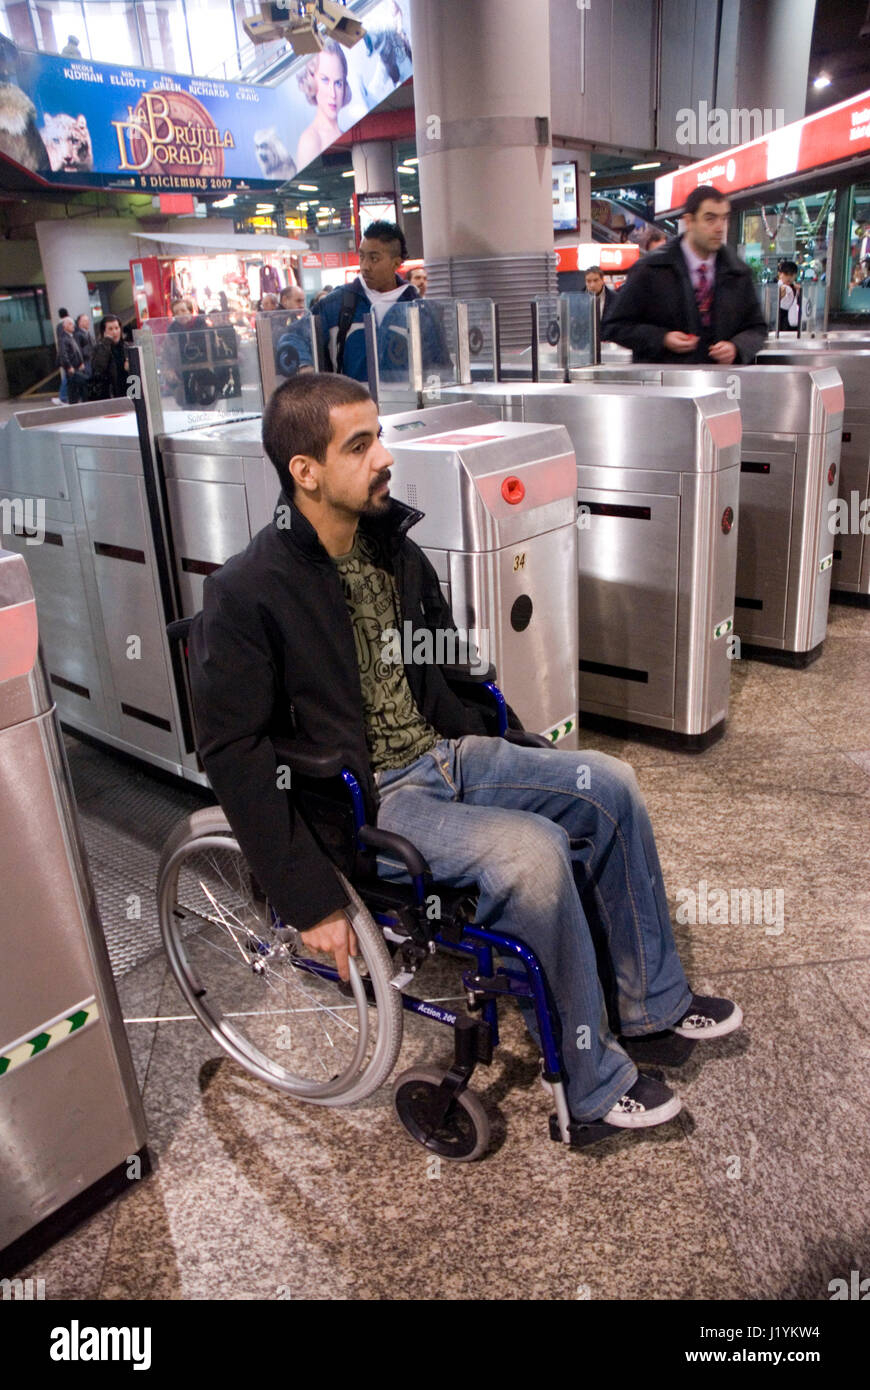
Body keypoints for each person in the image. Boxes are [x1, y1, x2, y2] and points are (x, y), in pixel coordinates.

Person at [188, 373, 743, 1134]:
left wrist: (502, 736)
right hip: (371, 800)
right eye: (361, 444)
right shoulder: (248, 592)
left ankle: (653, 1004)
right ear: (304, 471)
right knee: (535, 855)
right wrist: (308, 897)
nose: (385, 457)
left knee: (608, 784)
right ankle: (589, 1087)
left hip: (447, 754)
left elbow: (449, 663)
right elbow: (232, 749)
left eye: (380, 435)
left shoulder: (393, 550)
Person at [601, 184, 767, 365]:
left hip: (724, 386)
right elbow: (615, 326)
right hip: (666, 385)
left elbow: (757, 328)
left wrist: (737, 347)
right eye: (710, 219)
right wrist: (662, 338)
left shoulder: (738, 273)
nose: (720, 228)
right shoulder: (651, 269)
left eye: (724, 218)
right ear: (689, 221)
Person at [282, 221, 449, 382]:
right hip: (349, 407)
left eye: (374, 259)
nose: (365, 266)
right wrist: (304, 367)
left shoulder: (422, 311)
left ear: (396, 263)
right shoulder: (337, 304)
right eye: (362, 256)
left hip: (407, 408)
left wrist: (432, 404)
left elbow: (439, 370)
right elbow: (292, 337)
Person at [295, 40, 352, 170]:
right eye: (325, 80)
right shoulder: (310, 140)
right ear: (312, 82)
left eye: (338, 83)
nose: (333, 94)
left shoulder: (346, 134)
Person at [90, 315, 129, 400]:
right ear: (104, 331)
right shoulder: (99, 348)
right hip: (110, 395)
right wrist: (106, 342)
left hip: (128, 393)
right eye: (110, 329)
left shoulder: (126, 347)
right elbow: (98, 368)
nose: (114, 332)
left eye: (116, 328)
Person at [58, 316, 89, 403]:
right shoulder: (64, 339)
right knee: (74, 390)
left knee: (77, 389)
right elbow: (64, 354)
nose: (73, 326)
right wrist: (69, 366)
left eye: (73, 323)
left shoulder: (71, 337)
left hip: (77, 367)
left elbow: (76, 352)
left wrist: (81, 363)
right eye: (70, 324)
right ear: (65, 326)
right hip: (72, 369)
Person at [777, 260, 801, 332]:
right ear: (780, 274)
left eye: (792, 275)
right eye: (786, 274)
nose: (789, 277)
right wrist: (780, 296)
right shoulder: (776, 287)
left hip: (793, 321)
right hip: (780, 321)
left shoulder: (795, 287)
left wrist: (799, 293)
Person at [54, 305, 70, 402]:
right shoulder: (66, 324)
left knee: (67, 375)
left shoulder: (58, 326)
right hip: (69, 354)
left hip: (63, 354)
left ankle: (64, 395)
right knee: (69, 375)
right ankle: (63, 395)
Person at [74, 312, 95, 381]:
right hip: (85, 362)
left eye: (88, 320)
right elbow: (77, 350)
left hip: (91, 361)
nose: (88, 322)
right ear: (79, 323)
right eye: (85, 321)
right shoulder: (78, 334)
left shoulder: (87, 333)